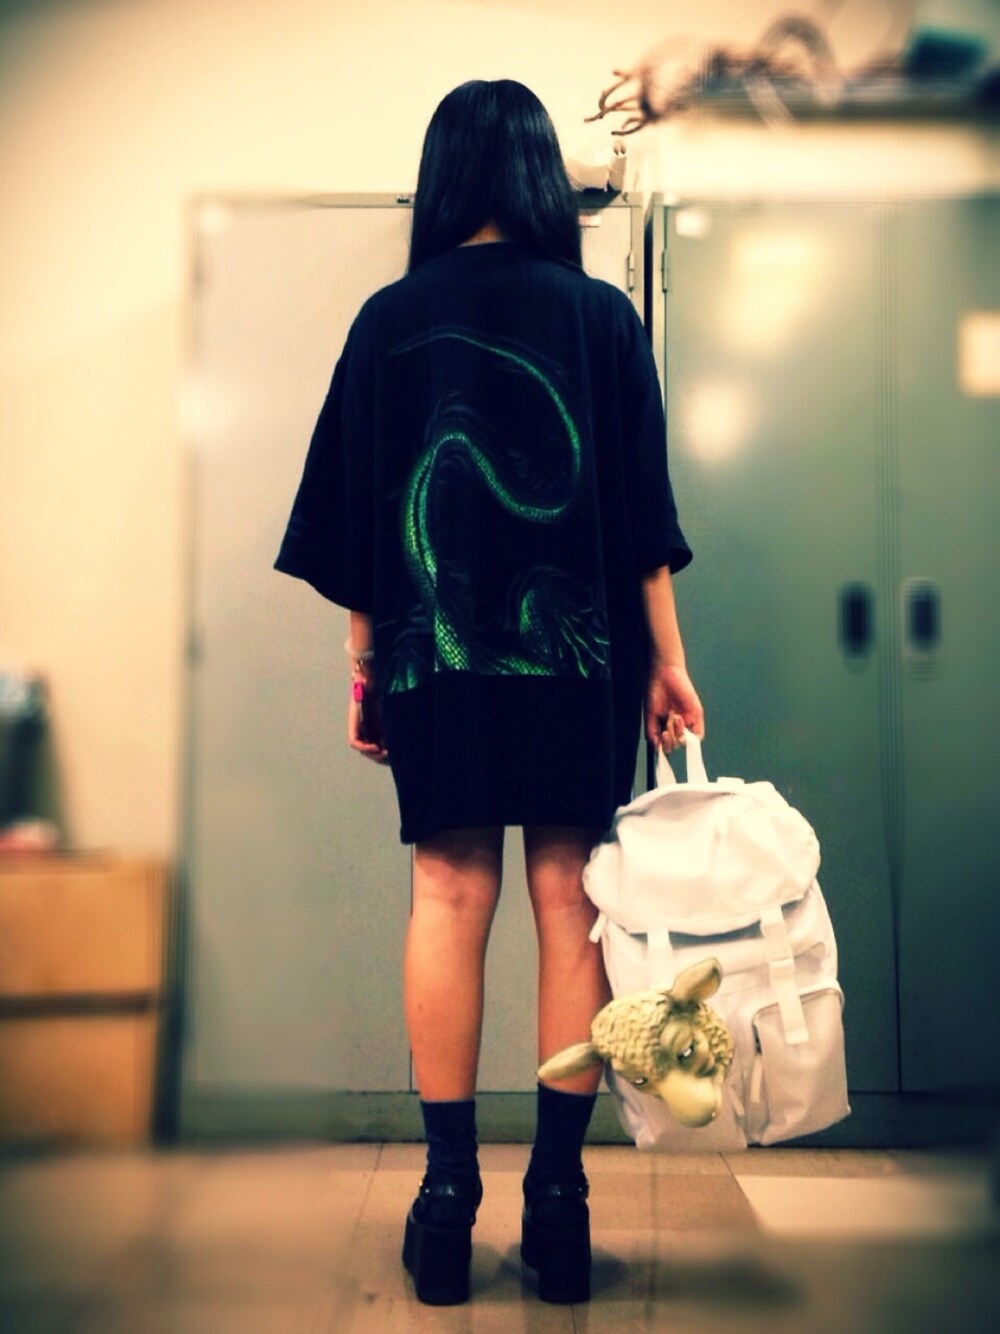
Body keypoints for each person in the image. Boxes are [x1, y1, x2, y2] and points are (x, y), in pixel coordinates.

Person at [275, 78, 704, 1307]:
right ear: (536, 178)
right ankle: (558, 1199)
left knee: (447, 891)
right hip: (581, 659)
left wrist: (366, 670)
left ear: (445, 177)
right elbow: (641, 523)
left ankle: (445, 1194)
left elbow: (357, 518)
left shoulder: (386, 319)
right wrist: (666, 661)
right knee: (570, 899)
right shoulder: (601, 316)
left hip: (434, 658)